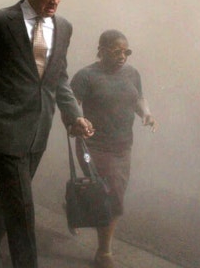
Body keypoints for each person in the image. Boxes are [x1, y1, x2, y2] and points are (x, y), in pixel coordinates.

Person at [0, 0, 94, 268]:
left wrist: (74, 115)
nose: (55, 2)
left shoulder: (64, 27)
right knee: (23, 207)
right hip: (6, 126)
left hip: (40, 128)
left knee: (13, 195)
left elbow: (59, 78)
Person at [69, 30, 157, 268]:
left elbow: (139, 98)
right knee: (111, 195)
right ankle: (104, 253)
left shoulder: (132, 73)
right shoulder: (86, 76)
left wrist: (146, 113)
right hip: (94, 146)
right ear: (102, 50)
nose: (122, 56)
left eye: (126, 51)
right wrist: (77, 122)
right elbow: (71, 105)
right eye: (116, 51)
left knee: (110, 193)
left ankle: (76, 206)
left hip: (122, 146)